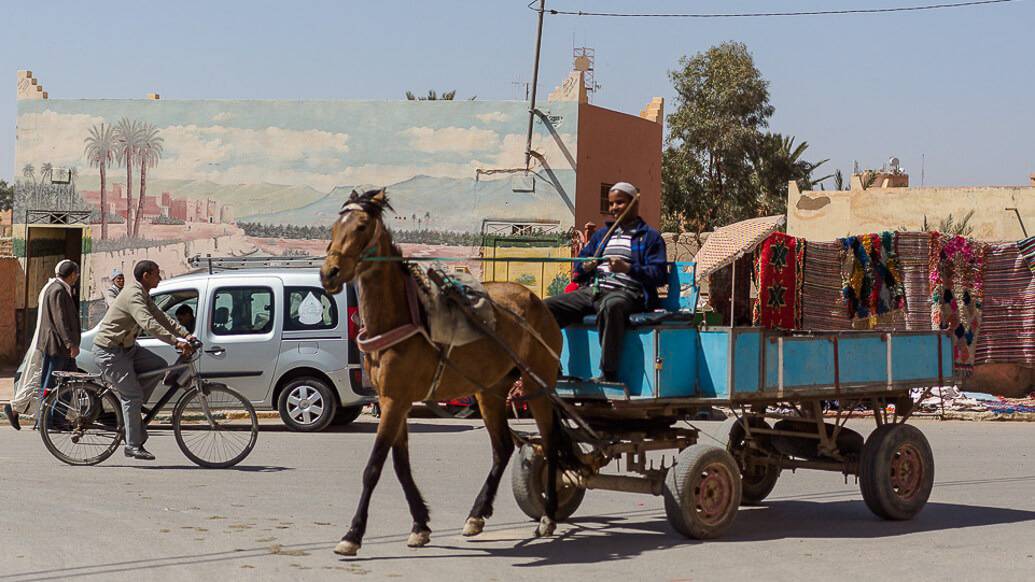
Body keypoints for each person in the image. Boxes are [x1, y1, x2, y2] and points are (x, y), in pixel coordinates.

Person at [544, 182, 667, 383]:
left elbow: (659, 275)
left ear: (634, 203)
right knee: (546, 308)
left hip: (627, 292)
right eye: (611, 204)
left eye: (620, 202)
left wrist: (628, 268)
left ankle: (608, 373)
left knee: (611, 306)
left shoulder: (650, 237)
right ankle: (552, 368)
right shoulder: (602, 236)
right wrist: (586, 267)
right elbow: (578, 271)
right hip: (593, 291)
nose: (613, 208)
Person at [92, 260, 195, 460]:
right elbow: (148, 323)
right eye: (157, 274)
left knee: (158, 365)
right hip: (110, 351)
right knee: (132, 396)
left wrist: (186, 335)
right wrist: (176, 342)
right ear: (146, 276)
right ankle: (132, 444)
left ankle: (133, 410)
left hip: (128, 349)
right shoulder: (133, 295)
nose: (160, 277)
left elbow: (161, 317)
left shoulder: (143, 293)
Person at [4, 260, 81, 430]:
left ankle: (56, 419)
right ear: (71, 274)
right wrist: (70, 343)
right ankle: (45, 420)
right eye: (76, 274)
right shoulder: (57, 290)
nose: (77, 277)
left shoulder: (59, 289)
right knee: (50, 383)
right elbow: (60, 319)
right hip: (57, 346)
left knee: (66, 383)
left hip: (61, 347)